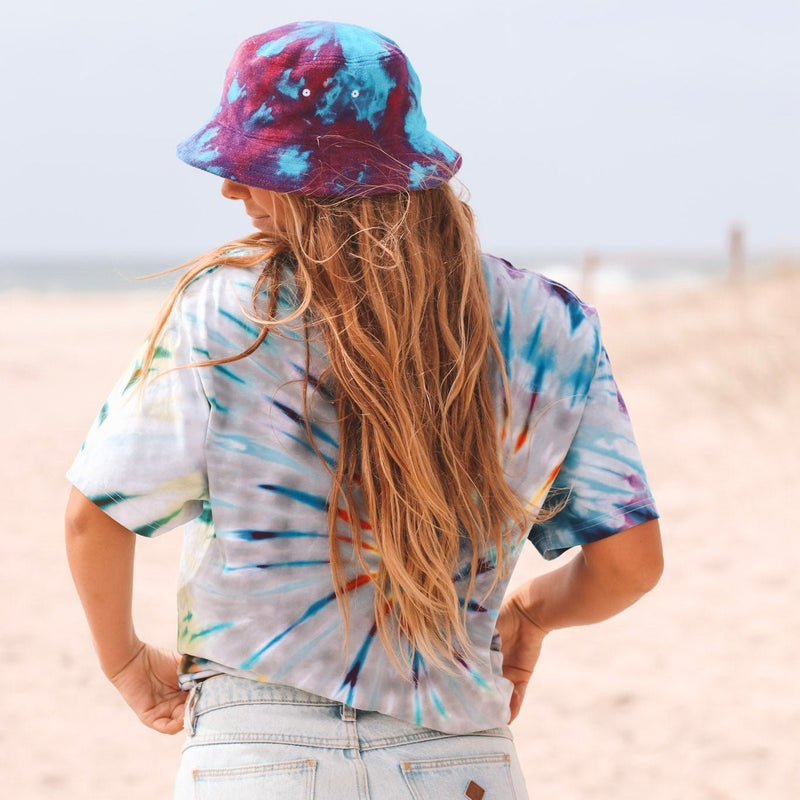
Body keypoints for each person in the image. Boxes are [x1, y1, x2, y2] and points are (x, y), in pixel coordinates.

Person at [65, 20, 662, 800]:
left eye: (256, 166)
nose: (231, 188)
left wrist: (124, 663)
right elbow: (632, 564)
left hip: (260, 754)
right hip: (461, 759)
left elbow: (93, 517)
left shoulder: (230, 315)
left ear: (321, 181)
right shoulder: (553, 325)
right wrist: (533, 615)